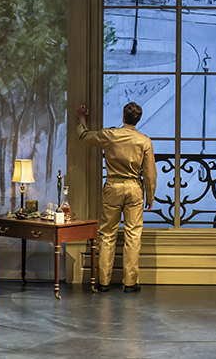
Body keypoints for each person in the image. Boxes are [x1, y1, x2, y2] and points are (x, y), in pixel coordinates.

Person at [76, 102, 156, 292]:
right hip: (134, 188)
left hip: (113, 186)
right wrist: (150, 195)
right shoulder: (144, 141)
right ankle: (130, 283)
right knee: (133, 235)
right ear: (138, 119)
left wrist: (81, 119)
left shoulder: (110, 135)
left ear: (123, 117)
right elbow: (150, 174)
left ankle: (103, 282)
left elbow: (84, 137)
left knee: (107, 234)